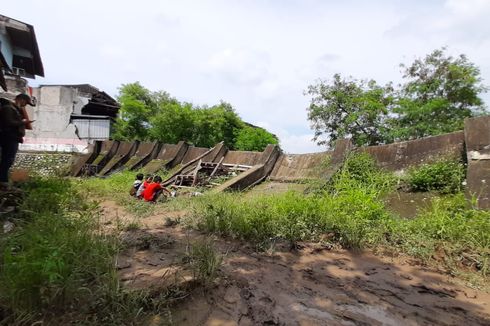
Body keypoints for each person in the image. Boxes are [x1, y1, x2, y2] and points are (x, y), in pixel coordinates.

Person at [0, 94, 34, 190]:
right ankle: (3, 181)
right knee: (7, 159)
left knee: (8, 160)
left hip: (13, 137)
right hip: (9, 137)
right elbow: (8, 122)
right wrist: (23, 122)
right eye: (25, 102)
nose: (25, 105)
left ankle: (3, 181)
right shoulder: (8, 108)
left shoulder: (15, 109)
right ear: (20, 99)